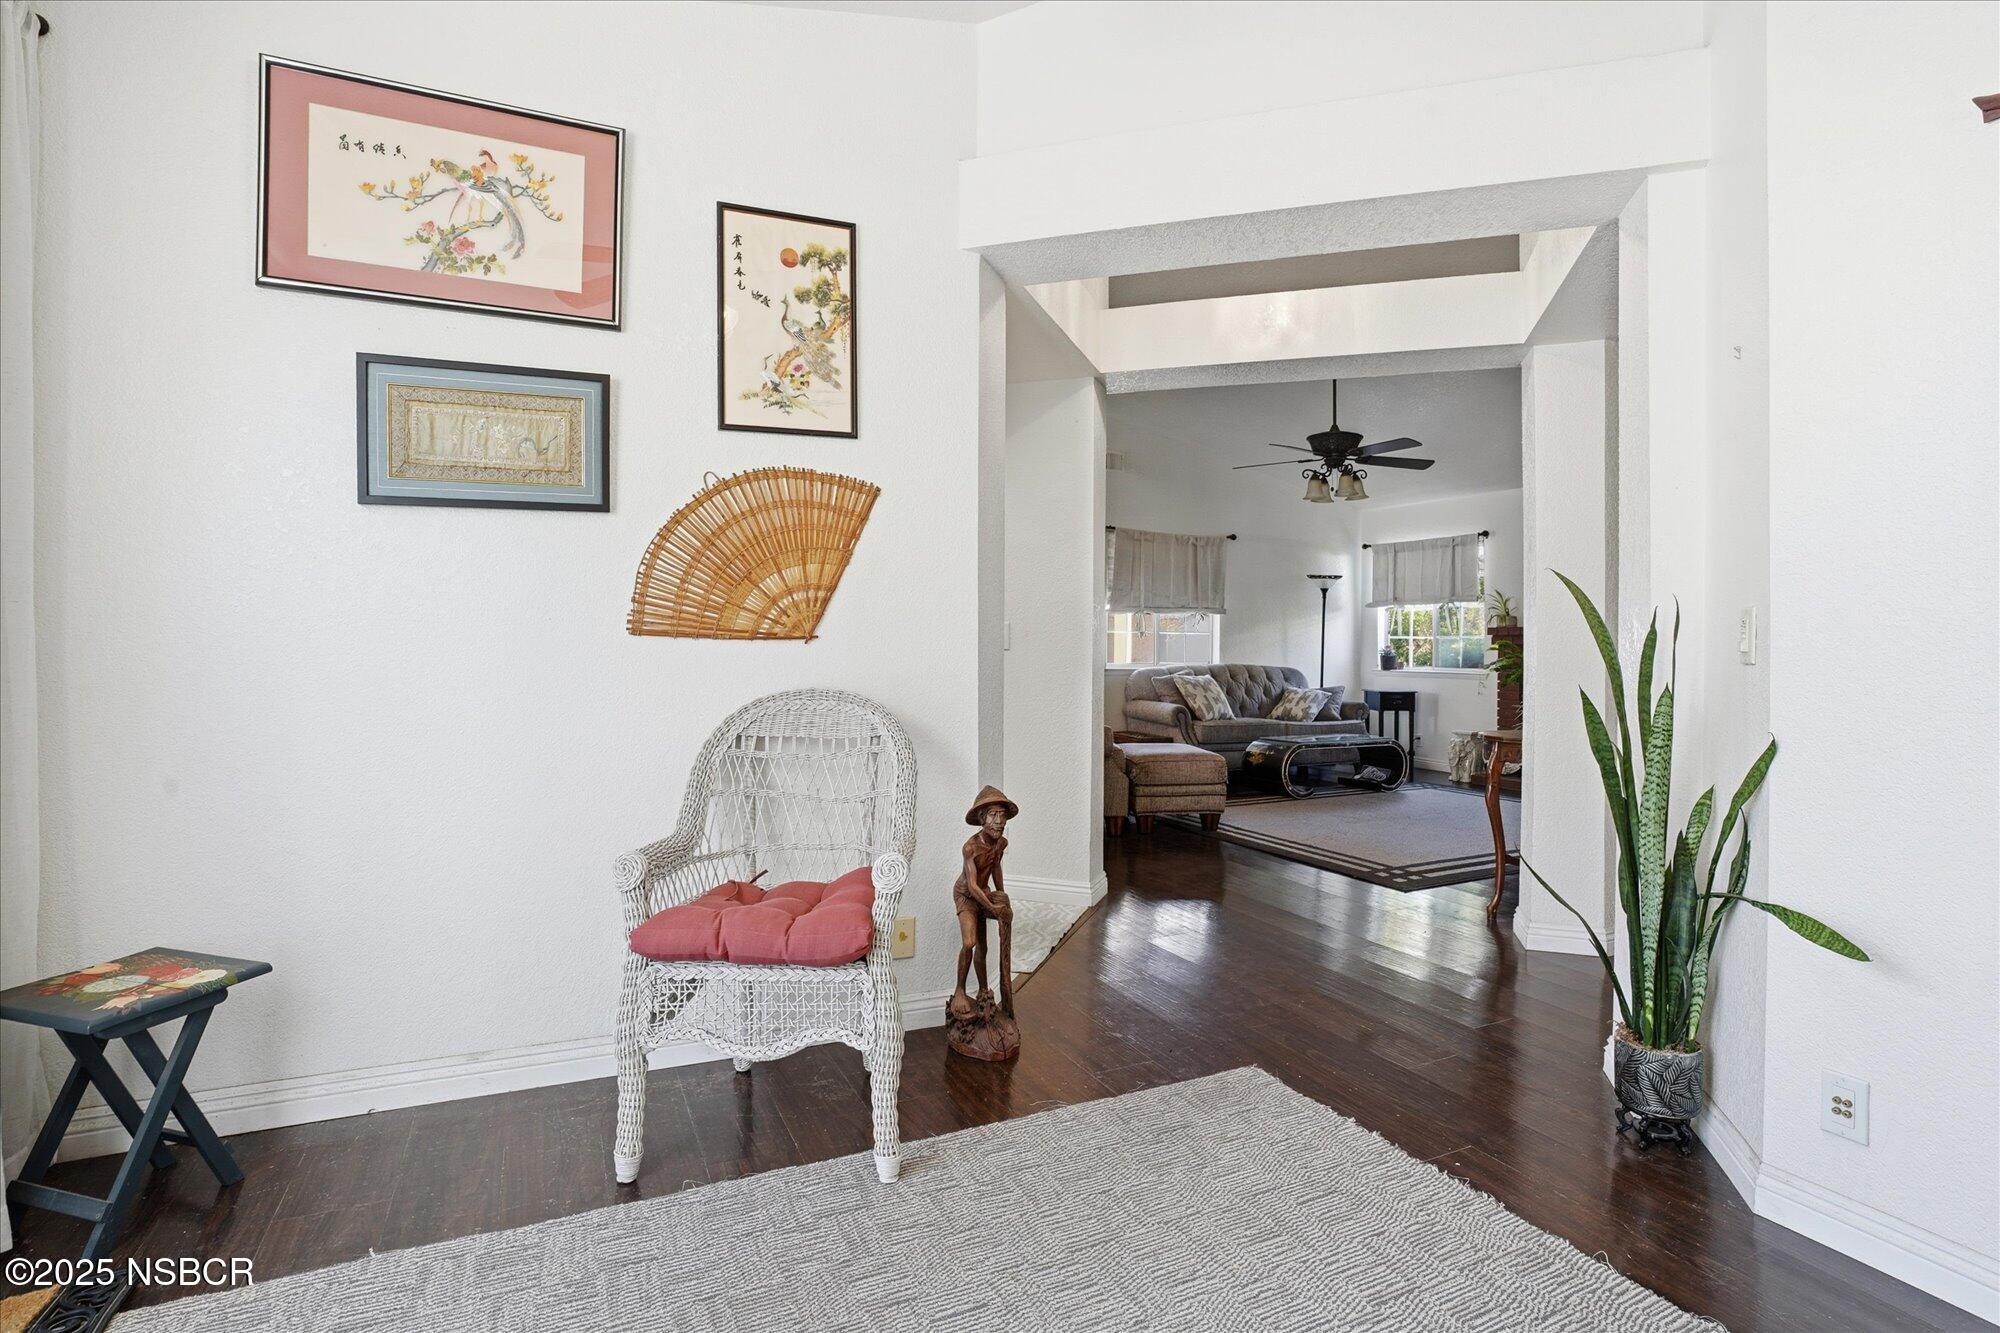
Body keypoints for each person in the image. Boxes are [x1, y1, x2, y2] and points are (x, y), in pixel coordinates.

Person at [950, 785, 1017, 1022]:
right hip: (967, 895)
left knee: (984, 948)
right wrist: (992, 908)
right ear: (982, 819)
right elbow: (972, 886)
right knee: (970, 942)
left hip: (984, 893)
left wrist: (1001, 894)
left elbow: (996, 866)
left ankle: (983, 990)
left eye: (1002, 815)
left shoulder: (1001, 844)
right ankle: (960, 990)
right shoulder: (971, 847)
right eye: (992, 815)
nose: (999, 821)